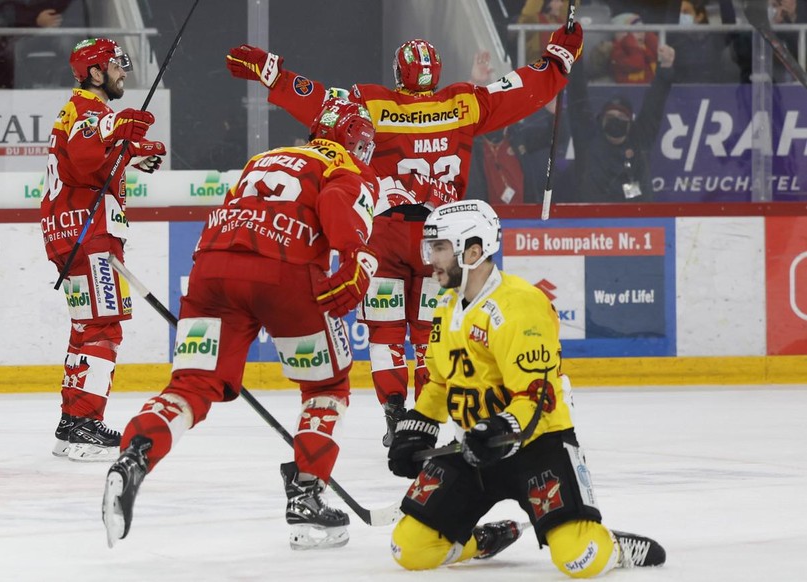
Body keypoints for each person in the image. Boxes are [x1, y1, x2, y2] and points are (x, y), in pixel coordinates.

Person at [225, 23, 583, 448]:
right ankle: (426, 420)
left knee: (385, 331)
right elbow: (522, 89)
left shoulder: (371, 102)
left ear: (400, 74)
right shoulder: (464, 102)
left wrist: (275, 75)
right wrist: (559, 59)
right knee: (432, 334)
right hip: (441, 239)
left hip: (384, 231)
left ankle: (396, 416)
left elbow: (321, 102)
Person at [101, 97, 380, 550]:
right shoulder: (347, 167)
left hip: (211, 271)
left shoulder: (264, 157)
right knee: (326, 389)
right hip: (284, 271)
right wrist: (355, 256)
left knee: (190, 387)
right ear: (356, 142)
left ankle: (135, 456)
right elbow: (334, 202)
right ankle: (307, 495)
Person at [385, 199, 667, 576]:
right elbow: (441, 381)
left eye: (439, 248)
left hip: (536, 446)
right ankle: (482, 540)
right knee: (409, 549)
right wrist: (416, 426)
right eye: (430, 247)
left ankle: (611, 545)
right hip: (474, 448)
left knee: (578, 559)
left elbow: (538, 398)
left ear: (473, 250)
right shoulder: (446, 306)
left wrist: (498, 428)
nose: (430, 258)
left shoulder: (520, 306)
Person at [40, 38, 166, 461]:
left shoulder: (80, 111)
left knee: (86, 327)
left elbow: (92, 163)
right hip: (89, 233)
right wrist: (123, 128)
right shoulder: (90, 111)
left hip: (71, 232)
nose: (122, 72)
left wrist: (132, 153)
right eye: (115, 65)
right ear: (95, 72)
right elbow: (85, 155)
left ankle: (71, 422)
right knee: (104, 328)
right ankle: (85, 426)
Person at [566, 43, 675, 202]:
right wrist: (575, 55)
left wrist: (666, 67)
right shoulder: (588, 139)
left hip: (637, 220)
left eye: (622, 117)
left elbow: (654, 106)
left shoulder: (639, 139)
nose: (616, 121)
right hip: (592, 220)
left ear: (630, 123)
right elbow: (577, 97)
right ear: (601, 119)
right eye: (610, 116)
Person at [609, 12, 659, 84]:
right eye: (637, 30)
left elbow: (659, 53)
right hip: (630, 92)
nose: (641, 33)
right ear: (624, 34)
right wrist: (631, 45)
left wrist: (649, 36)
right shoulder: (617, 52)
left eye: (643, 30)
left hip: (651, 90)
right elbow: (636, 64)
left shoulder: (645, 47)